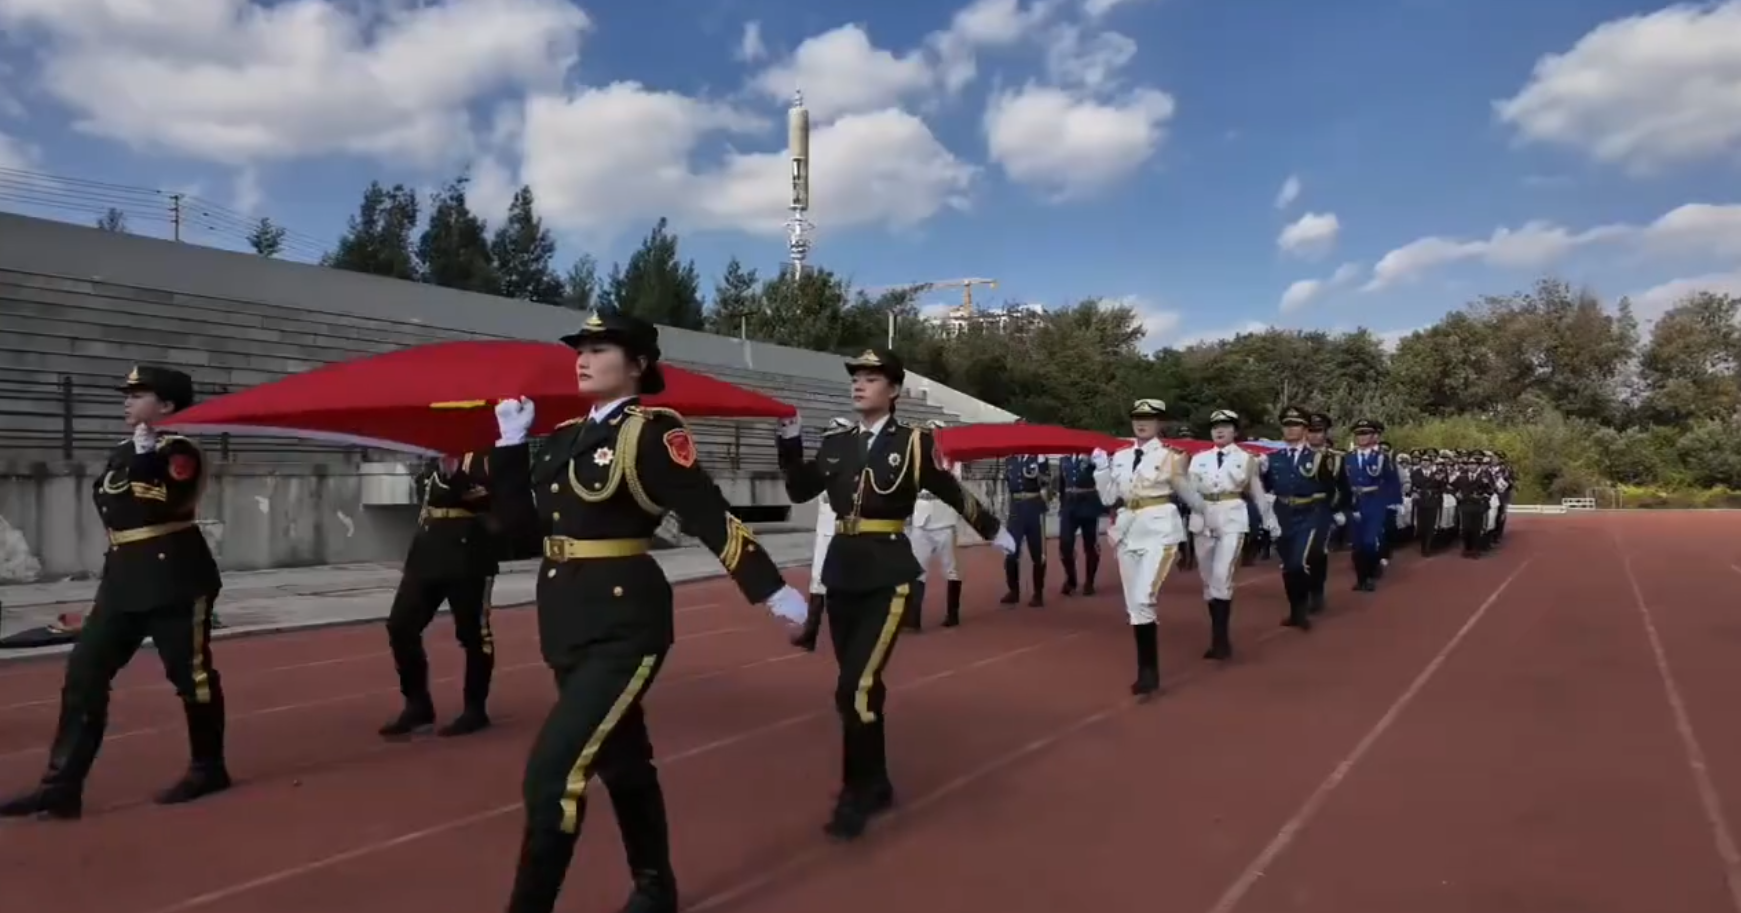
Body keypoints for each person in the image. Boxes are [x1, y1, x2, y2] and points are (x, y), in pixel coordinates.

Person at [487, 312, 809, 913]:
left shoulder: (651, 433)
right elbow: (520, 534)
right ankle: (656, 886)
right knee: (624, 761)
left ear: (637, 365)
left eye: (599, 349)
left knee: (552, 775)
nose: (583, 359)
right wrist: (508, 448)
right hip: (565, 620)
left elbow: (709, 513)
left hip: (624, 623)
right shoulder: (561, 437)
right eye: (579, 350)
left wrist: (772, 592)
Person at [777, 348, 1012, 840]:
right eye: (856, 378)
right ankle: (878, 781)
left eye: (871, 378)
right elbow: (800, 490)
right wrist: (790, 444)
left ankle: (855, 793)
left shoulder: (912, 443)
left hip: (888, 574)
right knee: (863, 685)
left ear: (895, 391)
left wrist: (991, 528)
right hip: (842, 571)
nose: (859, 384)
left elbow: (949, 490)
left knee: (853, 688)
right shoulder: (837, 443)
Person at [0, 366, 229, 820]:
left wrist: (147, 453)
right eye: (127, 394)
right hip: (123, 582)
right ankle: (61, 786)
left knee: (191, 677)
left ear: (166, 406)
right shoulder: (125, 450)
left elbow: (162, 500)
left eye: (138, 394)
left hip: (174, 579)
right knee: (84, 672)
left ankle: (209, 767)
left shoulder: (180, 451)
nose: (126, 401)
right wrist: (139, 451)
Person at [377, 450, 499, 738]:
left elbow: (491, 497)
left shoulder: (484, 453)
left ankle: (475, 708)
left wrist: (454, 474)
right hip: (428, 552)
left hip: (468, 555)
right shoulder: (430, 453)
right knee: (400, 626)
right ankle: (417, 705)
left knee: (473, 635)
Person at [1089, 399, 1207, 698]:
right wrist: (1101, 470)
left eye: (1149, 419)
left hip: (1159, 530)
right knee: (1134, 605)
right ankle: (1147, 672)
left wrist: (1204, 515)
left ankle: (1149, 670)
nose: (1141, 423)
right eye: (1137, 418)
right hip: (1128, 530)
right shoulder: (1121, 456)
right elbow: (1108, 498)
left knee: (1144, 596)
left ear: (1160, 423)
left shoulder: (1171, 456)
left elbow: (1187, 493)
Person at [1184, 410, 1280, 660]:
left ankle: (1221, 640)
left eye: (1225, 426)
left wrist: (1269, 520)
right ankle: (1217, 635)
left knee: (1221, 575)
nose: (1219, 430)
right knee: (1208, 580)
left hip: (1231, 516)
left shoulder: (1246, 459)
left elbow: (1257, 492)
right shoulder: (1198, 459)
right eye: (1215, 426)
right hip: (1203, 516)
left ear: (1235, 432)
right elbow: (1189, 492)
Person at [1261, 406, 1340, 631]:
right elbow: (1266, 487)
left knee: (1298, 563)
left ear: (1305, 429)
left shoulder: (1318, 458)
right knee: (1288, 566)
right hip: (1282, 514)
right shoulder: (1272, 458)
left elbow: (1331, 488)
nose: (1290, 429)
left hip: (1308, 514)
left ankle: (1303, 606)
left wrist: (1333, 511)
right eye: (1287, 425)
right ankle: (1295, 610)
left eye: (1296, 425)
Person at [792, 417, 856, 651]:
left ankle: (853, 633)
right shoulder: (822, 461)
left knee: (849, 582)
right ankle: (810, 633)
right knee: (818, 579)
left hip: (849, 530)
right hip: (825, 529)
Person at [907, 418, 966, 630]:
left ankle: (953, 613)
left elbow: (953, 483)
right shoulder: (915, 458)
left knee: (951, 569)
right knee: (916, 568)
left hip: (944, 519)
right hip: (921, 517)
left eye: (934, 433)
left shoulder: (951, 459)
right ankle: (913, 618)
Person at [1343, 420, 1404, 592]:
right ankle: (1361, 578)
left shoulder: (1381, 458)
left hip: (1374, 502)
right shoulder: (1347, 458)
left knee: (1370, 542)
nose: (1362, 437)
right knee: (1357, 543)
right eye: (1359, 434)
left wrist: (1395, 502)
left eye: (1366, 433)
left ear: (1373, 436)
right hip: (1354, 502)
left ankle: (1369, 575)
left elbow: (1392, 480)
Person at [999, 450, 1050, 606]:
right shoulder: (1010, 459)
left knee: (1038, 553)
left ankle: (1038, 593)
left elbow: (1047, 481)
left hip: (1034, 507)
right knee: (1010, 551)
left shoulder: (1038, 457)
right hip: (1016, 510)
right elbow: (1007, 485)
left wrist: (1040, 471)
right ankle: (1013, 591)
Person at [1056, 451, 1106, 596]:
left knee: (1090, 545)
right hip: (1069, 505)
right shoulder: (1064, 457)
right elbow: (1062, 483)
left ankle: (1089, 582)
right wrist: (1062, 504)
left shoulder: (1093, 455)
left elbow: (1103, 476)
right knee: (1065, 544)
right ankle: (1071, 579)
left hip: (1088, 503)